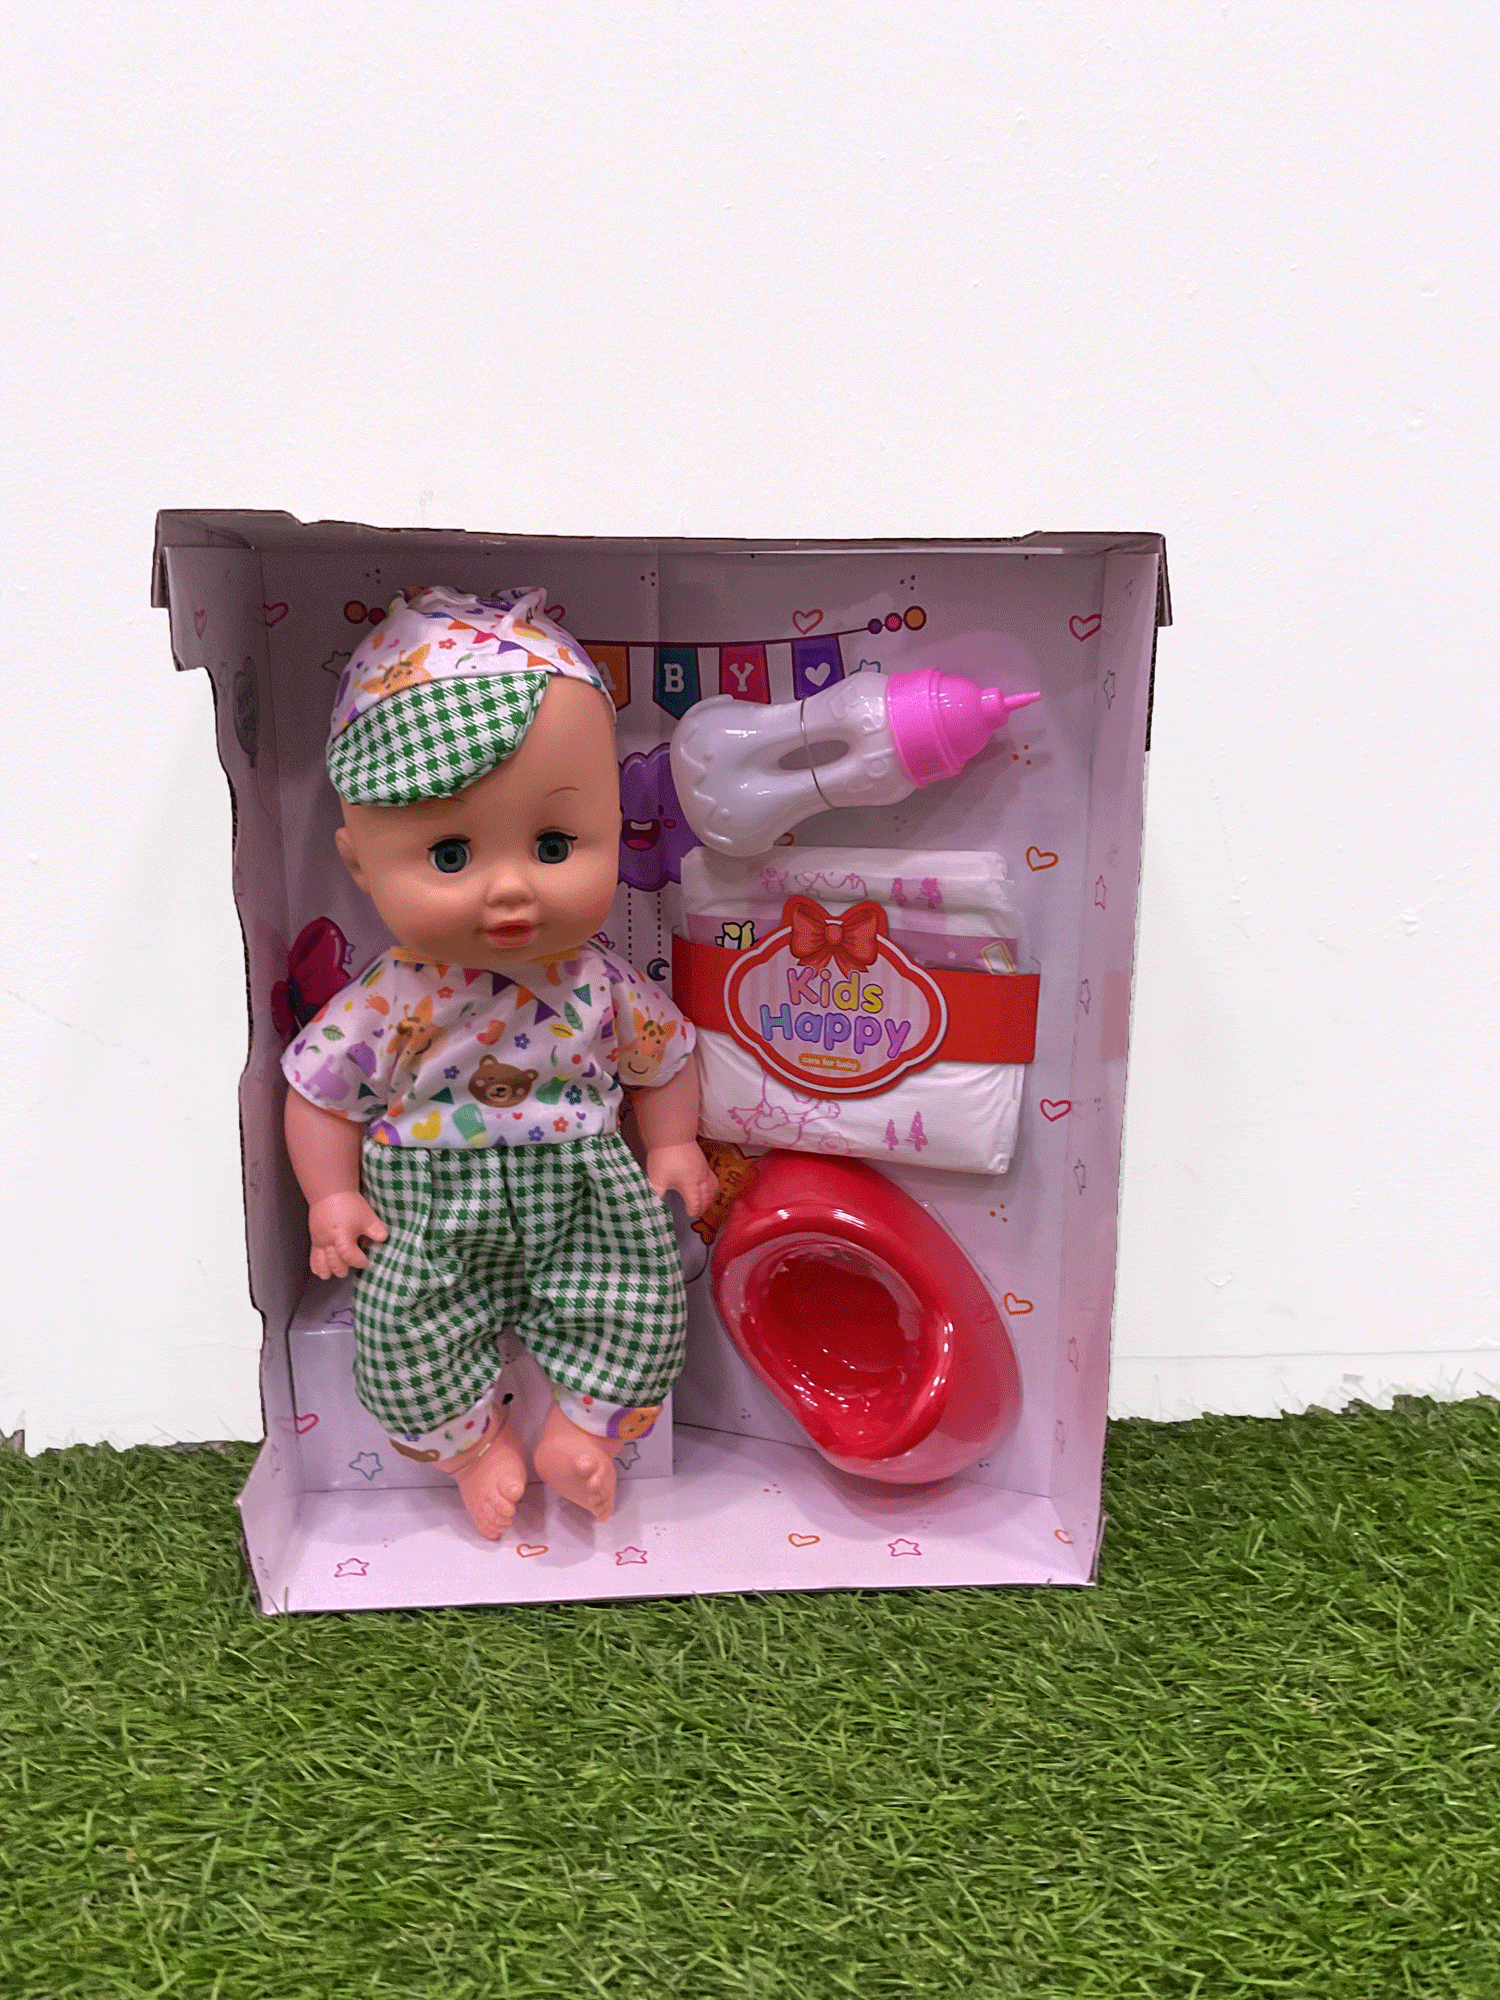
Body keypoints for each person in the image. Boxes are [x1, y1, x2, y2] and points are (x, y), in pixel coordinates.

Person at [281, 586, 716, 1539]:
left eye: (555, 844)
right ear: (358, 863)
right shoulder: (387, 1001)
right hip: (428, 1209)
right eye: (449, 856)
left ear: (616, 824)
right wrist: (331, 1197)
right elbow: (319, 1095)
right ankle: (473, 1449)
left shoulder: (599, 983)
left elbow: (664, 1056)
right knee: (402, 1335)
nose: (511, 888)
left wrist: (673, 1145)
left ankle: (582, 1428)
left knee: (639, 1300)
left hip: (584, 1191)